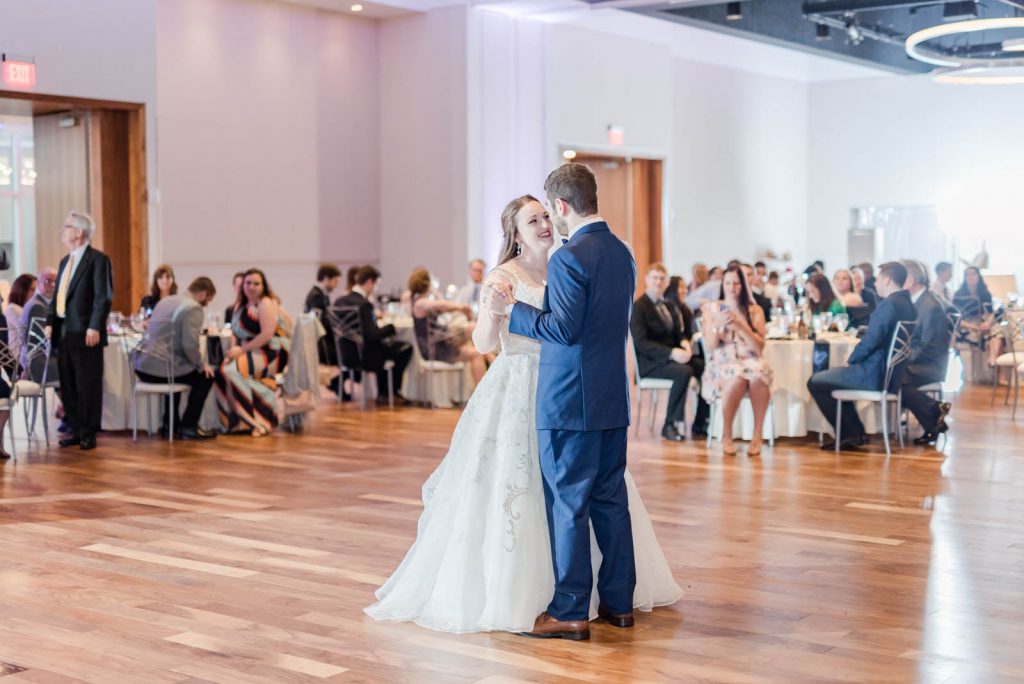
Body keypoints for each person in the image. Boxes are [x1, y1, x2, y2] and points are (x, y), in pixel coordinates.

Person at [365, 193, 679, 636]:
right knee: (529, 487)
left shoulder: (566, 264)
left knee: (578, 492)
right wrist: (495, 312)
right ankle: (531, 591)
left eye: (546, 216)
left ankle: (583, 596)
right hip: (519, 386)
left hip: (567, 389)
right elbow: (481, 343)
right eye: (534, 220)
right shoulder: (502, 276)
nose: (545, 224)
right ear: (515, 233)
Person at [506, 163, 655, 640]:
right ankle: (618, 604)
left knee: (568, 504)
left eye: (552, 210)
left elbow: (563, 330)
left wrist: (516, 311)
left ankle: (570, 609)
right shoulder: (622, 253)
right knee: (610, 502)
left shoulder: (570, 257)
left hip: (570, 401)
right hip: (612, 398)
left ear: (563, 207)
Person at [807, 262, 917, 451]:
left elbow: (872, 339)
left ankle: (849, 434)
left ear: (888, 279)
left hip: (873, 374)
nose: (876, 284)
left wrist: (852, 358)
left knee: (815, 381)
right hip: (890, 374)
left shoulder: (889, 304)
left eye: (880, 279)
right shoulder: (907, 303)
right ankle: (856, 433)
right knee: (834, 379)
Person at [46, 211, 114, 451]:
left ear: (79, 232)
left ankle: (88, 432)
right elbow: (58, 296)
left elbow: (102, 297)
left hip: (85, 330)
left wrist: (95, 325)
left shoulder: (97, 260)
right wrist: (49, 321)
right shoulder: (66, 261)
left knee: (88, 384)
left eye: (66, 227)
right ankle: (75, 428)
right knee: (69, 383)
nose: (62, 231)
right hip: (64, 330)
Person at [700, 265, 773, 456]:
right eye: (728, 283)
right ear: (722, 284)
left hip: (750, 359)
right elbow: (709, 346)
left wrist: (741, 326)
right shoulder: (712, 308)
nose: (732, 287)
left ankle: (758, 434)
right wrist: (715, 326)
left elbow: (759, 348)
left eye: (737, 283)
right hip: (722, 362)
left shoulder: (754, 310)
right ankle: (727, 434)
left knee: (758, 376)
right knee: (738, 377)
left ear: (744, 284)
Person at [134, 277, 219, 440]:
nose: (206, 305)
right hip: (161, 371)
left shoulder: (166, 301)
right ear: (202, 294)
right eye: (207, 300)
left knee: (178, 368)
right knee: (205, 376)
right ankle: (189, 426)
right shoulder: (193, 308)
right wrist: (201, 364)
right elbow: (190, 345)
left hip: (142, 367)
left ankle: (169, 425)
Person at [214, 268, 290, 436]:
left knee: (231, 371)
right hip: (248, 350)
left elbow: (267, 335)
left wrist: (241, 350)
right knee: (220, 373)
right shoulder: (240, 304)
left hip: (270, 352)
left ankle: (255, 422)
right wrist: (231, 353)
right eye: (248, 283)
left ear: (263, 286)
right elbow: (235, 331)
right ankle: (234, 423)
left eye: (256, 283)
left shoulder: (265, 303)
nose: (252, 287)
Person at [631, 264, 697, 442]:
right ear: (646, 280)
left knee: (700, 365)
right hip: (650, 363)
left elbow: (677, 332)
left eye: (662, 278)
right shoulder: (639, 307)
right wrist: (671, 353)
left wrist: (683, 342)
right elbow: (641, 343)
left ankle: (700, 423)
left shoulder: (668, 305)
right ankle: (669, 424)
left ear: (667, 282)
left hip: (670, 359)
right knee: (684, 372)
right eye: (655, 278)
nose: (658, 282)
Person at [334, 265, 413, 405]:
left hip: (345, 354)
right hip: (365, 357)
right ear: (370, 282)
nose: (375, 288)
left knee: (383, 348)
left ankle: (385, 392)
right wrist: (391, 327)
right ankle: (389, 392)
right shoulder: (364, 304)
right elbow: (372, 335)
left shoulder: (339, 301)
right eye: (376, 284)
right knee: (405, 349)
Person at [898, 260, 953, 446]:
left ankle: (933, 413)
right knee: (889, 375)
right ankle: (934, 415)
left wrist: (900, 358)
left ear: (911, 280)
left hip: (930, 365)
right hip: (922, 361)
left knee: (893, 377)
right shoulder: (918, 301)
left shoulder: (930, 306)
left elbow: (928, 347)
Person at [409, 267, 485, 383]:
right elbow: (440, 305)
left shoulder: (421, 301)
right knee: (476, 354)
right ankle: (483, 395)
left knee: (472, 328)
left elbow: (442, 306)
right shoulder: (420, 303)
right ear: (427, 284)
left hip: (442, 342)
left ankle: (494, 361)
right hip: (434, 349)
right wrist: (460, 307)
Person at [304, 264, 342, 392]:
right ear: (326, 278)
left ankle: (338, 385)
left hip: (323, 338)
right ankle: (336, 385)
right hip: (321, 341)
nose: (336, 285)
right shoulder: (316, 295)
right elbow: (319, 321)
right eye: (335, 280)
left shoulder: (321, 294)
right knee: (344, 351)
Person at [20, 267, 58, 382]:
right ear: (38, 284)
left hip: (39, 361)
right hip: (40, 365)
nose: (52, 285)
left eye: (55, 281)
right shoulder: (38, 307)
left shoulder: (41, 304)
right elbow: (42, 343)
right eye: (47, 281)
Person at [5, 273, 36, 368]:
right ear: (21, 290)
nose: (36, 293)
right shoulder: (13, 308)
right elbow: (30, 331)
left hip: (31, 355)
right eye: (32, 290)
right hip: (21, 361)